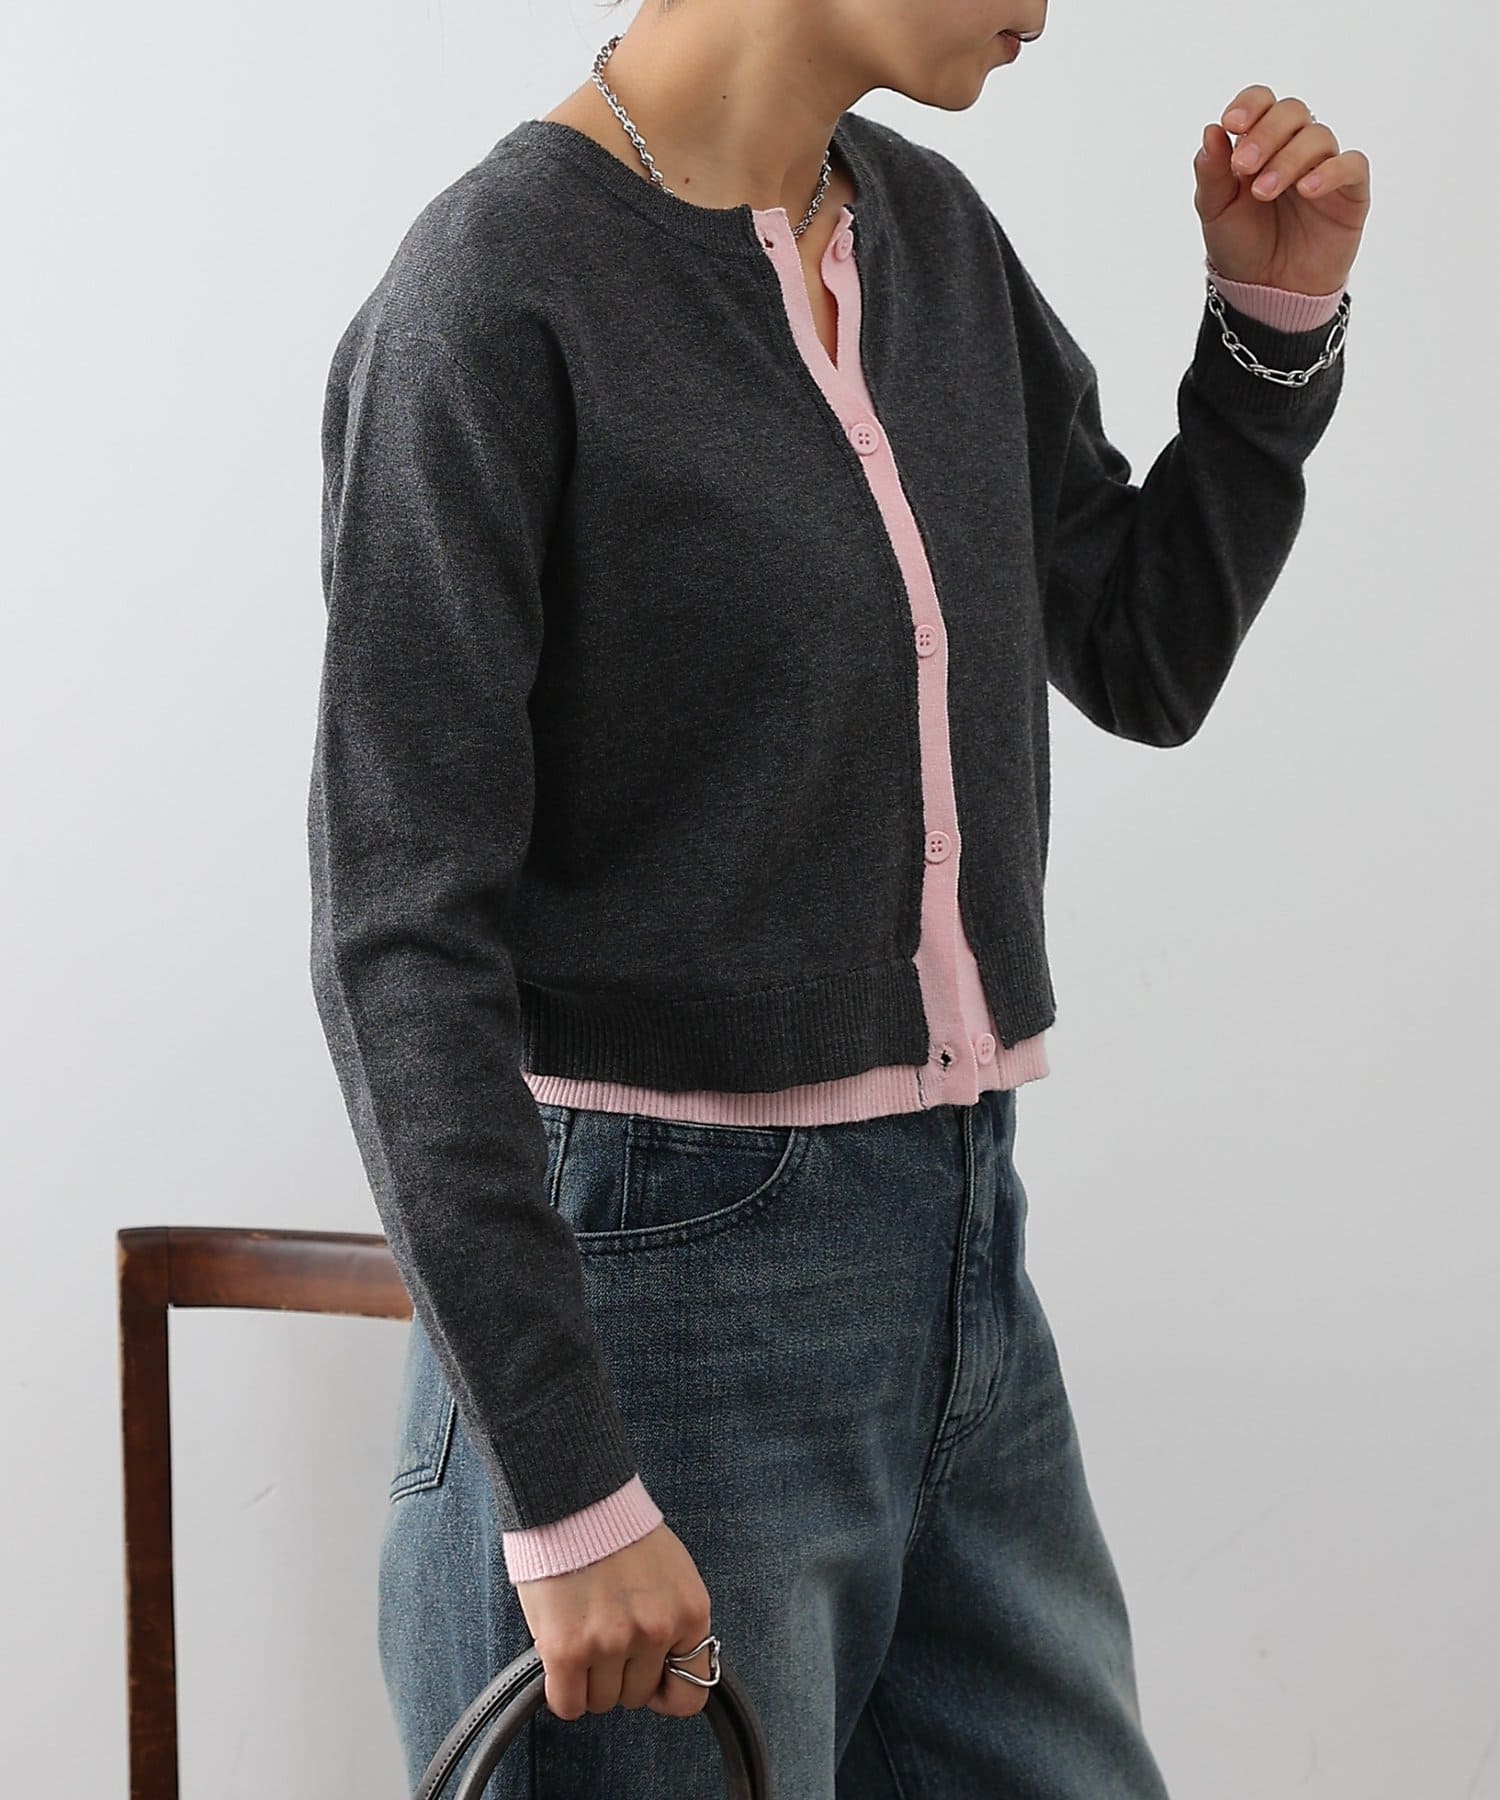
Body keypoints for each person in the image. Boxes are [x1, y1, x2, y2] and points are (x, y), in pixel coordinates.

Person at [307, 1, 1368, 1793]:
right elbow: (398, 935)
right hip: (648, 1311)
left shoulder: (930, 238)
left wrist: (1270, 333)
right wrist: (566, 1483)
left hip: (961, 1272)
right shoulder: (494, 293)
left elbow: (1143, 647)